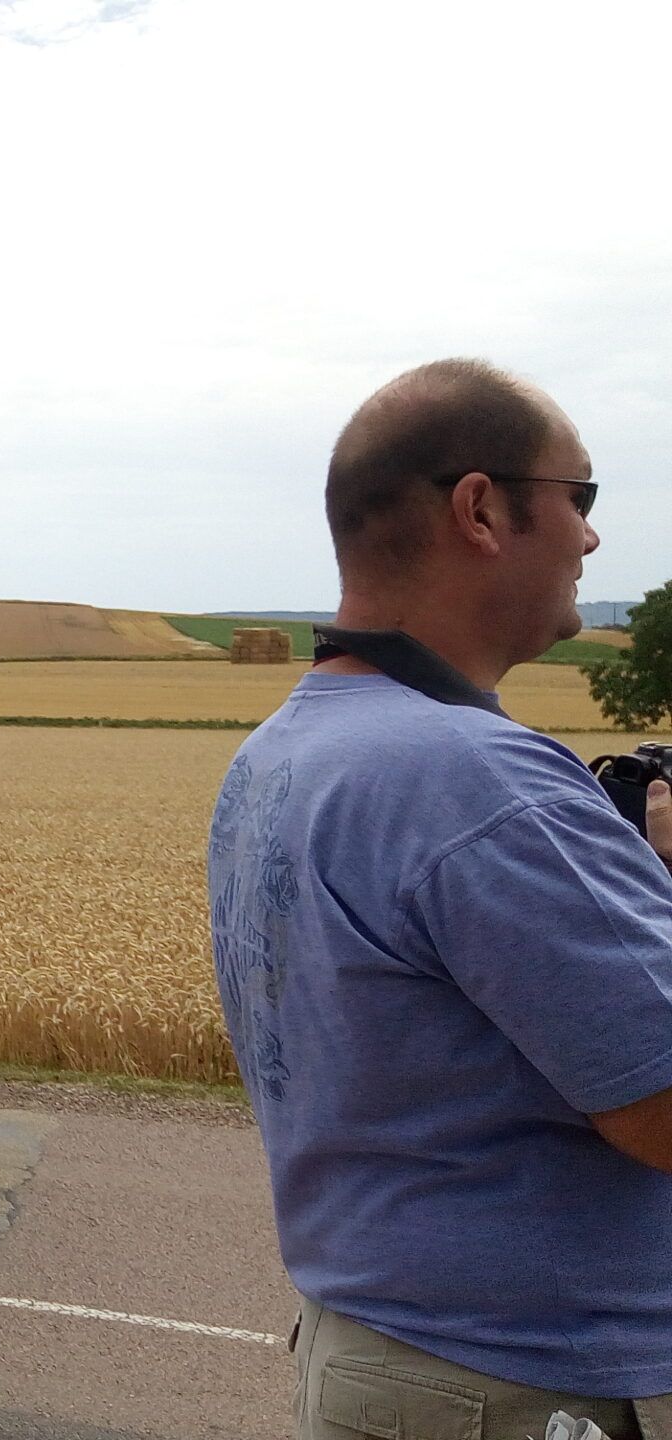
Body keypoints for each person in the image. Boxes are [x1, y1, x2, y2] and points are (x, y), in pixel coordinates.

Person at [206, 359, 672, 1436]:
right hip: (526, 1387)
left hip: (384, 1352)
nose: (591, 537)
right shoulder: (478, 780)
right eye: (579, 497)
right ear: (480, 509)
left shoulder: (285, 749)